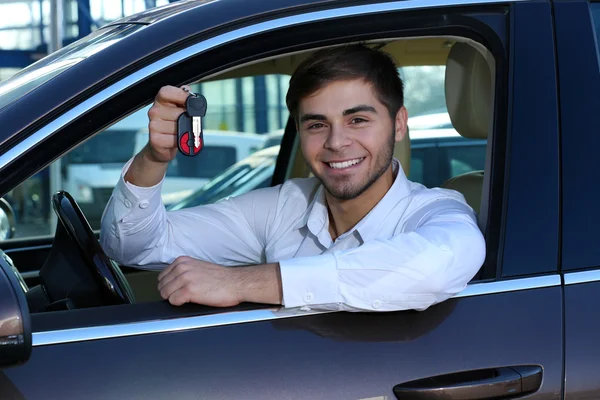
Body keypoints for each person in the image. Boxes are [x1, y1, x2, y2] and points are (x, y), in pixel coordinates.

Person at [100, 44, 485, 312]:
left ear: (398, 124)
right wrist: (155, 157)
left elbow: (431, 266)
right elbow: (133, 248)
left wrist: (240, 283)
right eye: (317, 124)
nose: (336, 142)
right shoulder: (286, 205)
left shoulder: (436, 209)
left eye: (358, 120)